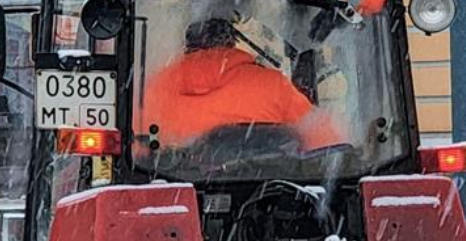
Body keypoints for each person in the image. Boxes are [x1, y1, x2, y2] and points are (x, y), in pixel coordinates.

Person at [142, 17, 342, 152]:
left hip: (184, 193)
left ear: (187, 47)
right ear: (231, 43)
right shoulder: (272, 86)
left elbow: (138, 148)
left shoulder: (157, 88)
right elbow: (325, 142)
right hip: (269, 192)